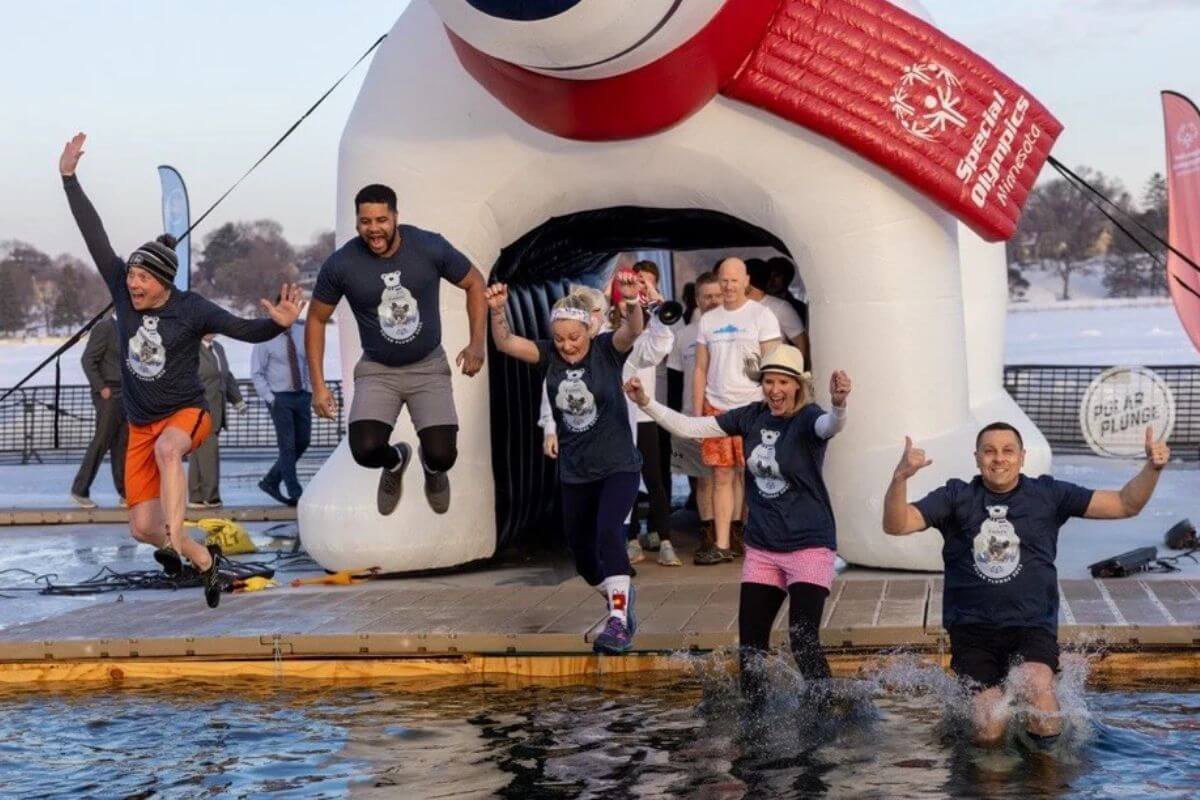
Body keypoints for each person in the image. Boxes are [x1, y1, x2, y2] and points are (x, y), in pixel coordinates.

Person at [60, 132, 303, 608]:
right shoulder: (123, 293)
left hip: (187, 414)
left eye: (142, 278)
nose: (132, 284)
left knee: (172, 452)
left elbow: (241, 329)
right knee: (142, 527)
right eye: (129, 276)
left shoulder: (192, 309)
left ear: (163, 281)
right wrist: (69, 179)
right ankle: (202, 558)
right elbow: (95, 236)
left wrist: (275, 326)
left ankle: (179, 534)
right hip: (140, 425)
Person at [882, 423, 1170, 747]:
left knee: (1037, 691)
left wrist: (1153, 468)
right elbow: (897, 524)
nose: (998, 458)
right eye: (989, 451)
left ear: (1022, 457)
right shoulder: (956, 496)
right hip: (973, 631)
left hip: (1032, 625)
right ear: (976, 458)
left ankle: (1047, 778)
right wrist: (900, 479)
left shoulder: (1048, 494)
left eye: (1008, 450)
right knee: (989, 722)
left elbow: (1124, 504)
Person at [627, 346, 851, 699]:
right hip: (763, 548)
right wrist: (645, 403)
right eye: (768, 381)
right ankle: (754, 722)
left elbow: (831, 425)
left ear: (797, 386)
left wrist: (839, 404)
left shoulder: (809, 419)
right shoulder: (750, 417)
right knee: (751, 650)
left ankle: (826, 716)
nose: (774, 390)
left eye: (782, 382)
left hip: (809, 545)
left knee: (803, 641)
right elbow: (690, 427)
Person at [489, 274, 646, 654]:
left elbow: (634, 330)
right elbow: (506, 343)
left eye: (574, 338)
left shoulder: (607, 349)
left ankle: (618, 623)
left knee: (610, 531)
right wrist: (496, 312)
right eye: (560, 339)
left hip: (617, 465)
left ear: (589, 330)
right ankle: (618, 601)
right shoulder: (550, 356)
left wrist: (633, 300)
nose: (567, 345)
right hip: (575, 471)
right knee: (582, 555)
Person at [307, 184, 487, 516]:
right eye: (365, 221)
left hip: (428, 366)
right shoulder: (341, 264)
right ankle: (396, 462)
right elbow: (316, 319)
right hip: (377, 370)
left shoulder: (428, 246)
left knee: (442, 454)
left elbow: (475, 282)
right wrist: (318, 386)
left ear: (395, 218)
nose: (374, 229)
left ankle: (433, 471)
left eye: (381, 220)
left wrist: (477, 343)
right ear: (357, 222)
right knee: (365, 449)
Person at [693, 257, 782, 563]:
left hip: (755, 408)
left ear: (746, 281)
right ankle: (721, 543)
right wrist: (697, 415)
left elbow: (774, 364)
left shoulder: (763, 316)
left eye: (734, 280)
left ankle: (756, 538)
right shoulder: (708, 320)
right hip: (717, 408)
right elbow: (700, 368)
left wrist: (775, 405)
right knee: (721, 476)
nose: (729, 286)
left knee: (756, 474)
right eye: (724, 280)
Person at [666, 272, 722, 563]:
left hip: (727, 418)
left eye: (717, 295)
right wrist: (675, 419)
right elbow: (674, 381)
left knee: (732, 479)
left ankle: (733, 536)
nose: (712, 301)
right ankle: (708, 535)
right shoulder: (684, 336)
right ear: (697, 299)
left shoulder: (735, 329)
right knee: (703, 481)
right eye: (707, 296)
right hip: (692, 418)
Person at [251, 315, 312, 506]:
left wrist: (310, 391)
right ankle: (295, 492)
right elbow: (256, 372)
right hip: (279, 398)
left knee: (303, 441)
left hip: (301, 395)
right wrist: (270, 398)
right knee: (288, 445)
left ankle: (270, 481)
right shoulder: (264, 337)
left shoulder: (302, 333)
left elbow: (310, 362)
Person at [70, 312, 127, 508]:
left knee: (122, 444)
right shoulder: (105, 327)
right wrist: (101, 387)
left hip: (126, 393)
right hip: (108, 393)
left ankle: (125, 493)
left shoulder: (132, 329)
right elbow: (88, 360)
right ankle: (80, 489)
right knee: (102, 440)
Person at [187, 335, 246, 508]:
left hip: (218, 409)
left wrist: (237, 400)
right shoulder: (191, 347)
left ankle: (196, 496)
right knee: (209, 453)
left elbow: (226, 376)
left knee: (199, 454)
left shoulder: (218, 348)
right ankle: (211, 496)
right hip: (200, 410)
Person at [747, 258, 809, 367]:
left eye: (776, 276)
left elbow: (801, 342)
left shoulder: (783, 307)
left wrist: (798, 375)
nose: (771, 281)